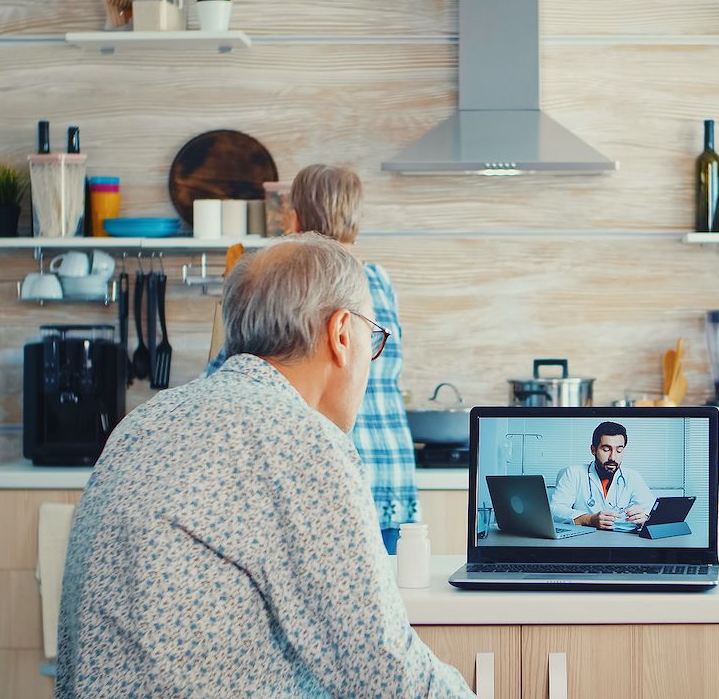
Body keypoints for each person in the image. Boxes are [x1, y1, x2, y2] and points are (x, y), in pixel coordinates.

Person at [57, 235, 473, 698]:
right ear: (340, 334)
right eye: (371, 337)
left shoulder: (142, 423)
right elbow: (384, 670)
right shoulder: (302, 442)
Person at [207, 164, 418, 554]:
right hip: (391, 469)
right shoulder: (379, 281)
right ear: (354, 216)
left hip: (326, 476)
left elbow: (224, 378)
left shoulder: (294, 287)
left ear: (296, 217)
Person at [549, 421, 657, 530]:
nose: (612, 457)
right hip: (585, 538)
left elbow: (653, 511)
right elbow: (554, 510)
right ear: (593, 450)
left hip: (622, 540)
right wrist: (589, 519)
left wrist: (645, 518)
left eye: (619, 450)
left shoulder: (633, 476)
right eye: (606, 449)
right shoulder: (574, 473)